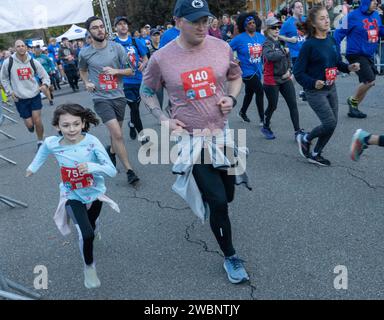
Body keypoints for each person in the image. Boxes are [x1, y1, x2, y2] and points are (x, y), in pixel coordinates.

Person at [141, 0, 250, 284]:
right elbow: (146, 91)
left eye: (206, 20)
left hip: (222, 134)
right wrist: (163, 119)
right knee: (218, 203)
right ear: (178, 21)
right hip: (192, 139)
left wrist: (232, 98)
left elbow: (235, 77)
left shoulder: (221, 47)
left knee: (228, 195)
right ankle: (230, 256)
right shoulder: (161, 58)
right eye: (195, 21)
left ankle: (210, 193)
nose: (203, 26)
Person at [26, 103, 119, 289]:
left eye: (76, 124)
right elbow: (43, 152)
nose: (71, 129)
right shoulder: (52, 143)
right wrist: (32, 168)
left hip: (94, 194)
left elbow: (112, 170)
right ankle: (89, 267)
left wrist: (92, 167)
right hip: (71, 194)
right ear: (57, 126)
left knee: (92, 226)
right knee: (86, 234)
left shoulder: (92, 141)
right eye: (66, 125)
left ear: (83, 123)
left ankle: (95, 227)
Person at [294, 5, 360, 166]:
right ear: (314, 24)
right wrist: (312, 82)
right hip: (315, 92)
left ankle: (316, 153)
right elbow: (298, 72)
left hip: (331, 88)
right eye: (322, 18)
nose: (326, 21)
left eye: (327, 18)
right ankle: (305, 138)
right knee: (329, 122)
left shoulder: (331, 40)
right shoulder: (309, 45)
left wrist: (348, 67)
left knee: (332, 124)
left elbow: (336, 62)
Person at [79, 16, 140, 185]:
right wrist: (87, 82)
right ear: (89, 32)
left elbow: (131, 71)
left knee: (116, 134)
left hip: (118, 95)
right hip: (100, 98)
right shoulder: (85, 52)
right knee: (118, 133)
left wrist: (115, 71)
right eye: (95, 28)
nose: (99, 30)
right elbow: (82, 70)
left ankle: (112, 151)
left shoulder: (117, 47)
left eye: (101, 26)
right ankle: (129, 170)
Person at [334, 0, 384, 118]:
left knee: (369, 83)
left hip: (368, 54)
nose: (376, 3)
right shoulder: (351, 16)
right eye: (372, 0)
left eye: (377, 0)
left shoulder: (376, 14)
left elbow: (380, 30)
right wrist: (334, 52)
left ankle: (354, 108)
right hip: (355, 54)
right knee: (369, 80)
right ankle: (352, 100)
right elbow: (337, 34)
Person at [0, 40, 50, 150]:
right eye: (18, 46)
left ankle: (40, 141)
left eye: (23, 46)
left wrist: (45, 85)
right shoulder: (8, 62)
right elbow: (3, 78)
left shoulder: (33, 61)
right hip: (19, 97)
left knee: (37, 120)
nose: (21, 48)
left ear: (26, 48)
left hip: (34, 94)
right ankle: (31, 127)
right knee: (30, 124)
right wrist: (10, 91)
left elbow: (45, 76)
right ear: (14, 48)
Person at [262, 16, 303, 140]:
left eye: (278, 27)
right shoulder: (266, 44)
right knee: (272, 106)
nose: (277, 29)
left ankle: (297, 132)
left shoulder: (281, 42)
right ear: (268, 30)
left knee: (293, 104)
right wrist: (283, 52)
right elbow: (270, 56)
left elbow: (289, 58)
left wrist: (289, 71)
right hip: (271, 80)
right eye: (273, 27)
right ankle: (266, 126)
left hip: (285, 78)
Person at [114, 16, 149, 144]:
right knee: (134, 108)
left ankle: (132, 124)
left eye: (125, 24)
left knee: (136, 108)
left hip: (138, 80)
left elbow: (145, 58)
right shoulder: (113, 44)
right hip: (125, 83)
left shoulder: (135, 41)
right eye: (120, 24)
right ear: (115, 27)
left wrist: (143, 64)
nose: (123, 26)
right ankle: (143, 137)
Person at [230, 12, 265, 125]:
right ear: (245, 26)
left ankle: (242, 112)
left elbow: (268, 48)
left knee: (249, 93)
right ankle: (262, 119)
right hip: (246, 72)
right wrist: (235, 59)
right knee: (259, 91)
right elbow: (226, 49)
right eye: (249, 23)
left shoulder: (260, 37)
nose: (252, 25)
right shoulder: (239, 39)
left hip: (258, 70)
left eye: (253, 22)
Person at [279, 0, 307, 101]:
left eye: (301, 7)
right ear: (293, 9)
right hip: (295, 53)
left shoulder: (305, 20)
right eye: (298, 7)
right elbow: (279, 36)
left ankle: (304, 91)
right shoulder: (287, 23)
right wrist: (289, 39)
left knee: (302, 72)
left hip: (306, 51)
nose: (301, 8)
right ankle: (288, 90)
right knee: (297, 73)